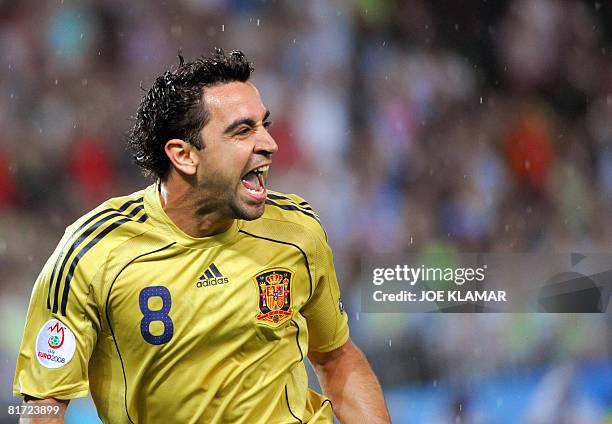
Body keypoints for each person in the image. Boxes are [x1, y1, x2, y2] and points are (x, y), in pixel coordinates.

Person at [13, 49, 390, 423]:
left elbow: (337, 359)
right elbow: (43, 404)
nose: (269, 144)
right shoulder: (92, 253)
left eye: (264, 125)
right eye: (243, 131)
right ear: (184, 155)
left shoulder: (296, 230)